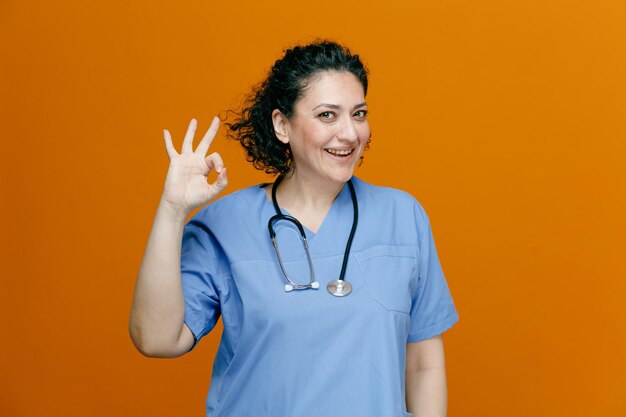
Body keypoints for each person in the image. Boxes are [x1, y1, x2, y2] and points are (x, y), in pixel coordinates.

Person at [129, 40, 459, 417]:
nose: (350, 133)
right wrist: (172, 210)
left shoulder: (403, 217)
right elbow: (155, 339)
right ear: (282, 125)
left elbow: (423, 363)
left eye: (359, 113)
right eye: (327, 115)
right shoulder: (225, 226)